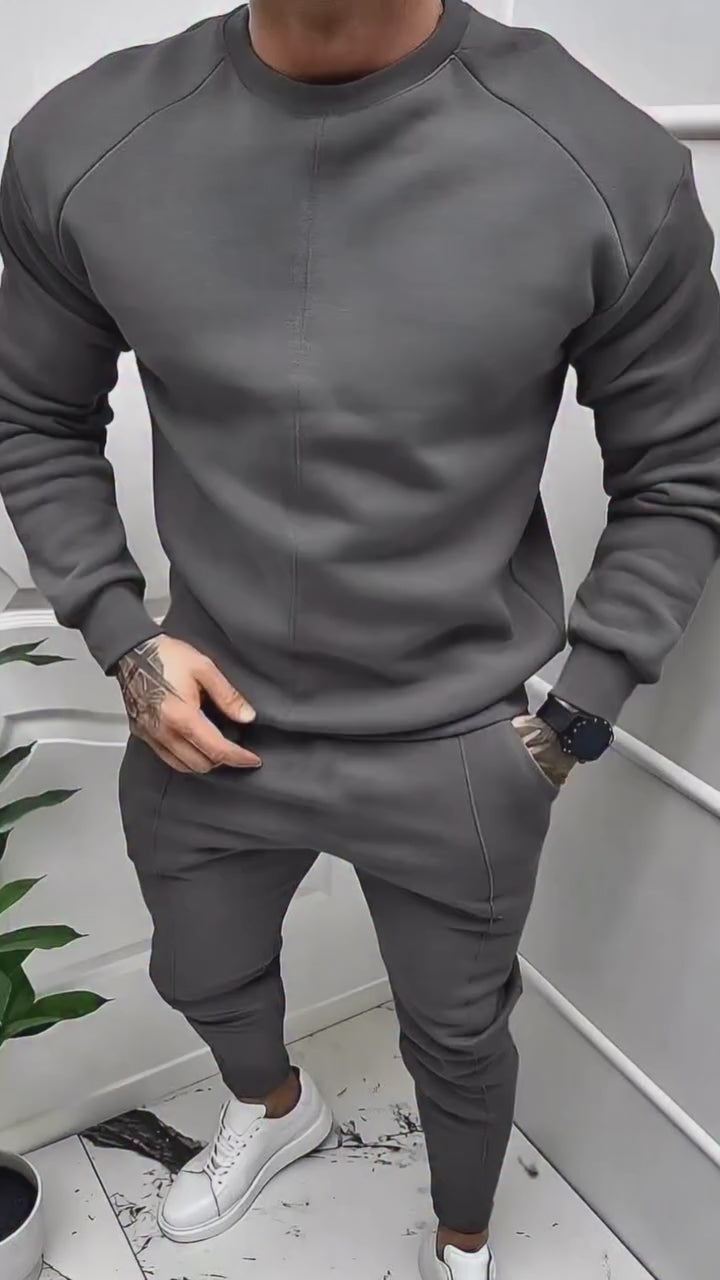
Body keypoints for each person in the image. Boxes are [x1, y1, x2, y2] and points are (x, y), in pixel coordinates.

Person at [1, 1, 719, 1275]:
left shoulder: (601, 160)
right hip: (205, 716)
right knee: (200, 973)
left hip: (458, 742)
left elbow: (683, 467)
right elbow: (34, 415)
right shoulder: (87, 142)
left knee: (460, 1035)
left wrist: (576, 715)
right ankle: (277, 1110)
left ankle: (462, 1240)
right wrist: (123, 637)